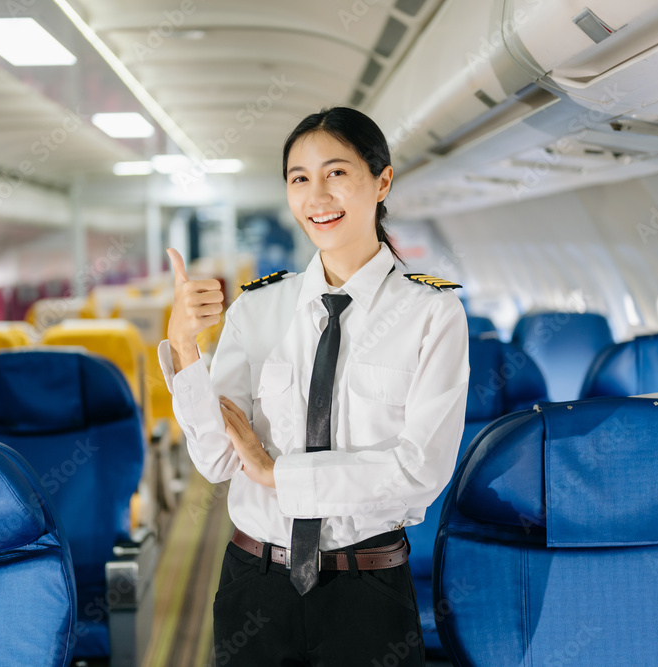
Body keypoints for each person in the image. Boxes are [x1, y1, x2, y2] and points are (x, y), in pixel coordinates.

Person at [158, 106, 469, 666]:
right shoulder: (257, 309)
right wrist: (184, 349)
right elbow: (217, 461)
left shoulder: (432, 314)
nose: (317, 196)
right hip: (253, 582)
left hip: (367, 590)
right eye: (299, 179)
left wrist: (277, 473)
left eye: (336, 173)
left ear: (382, 181)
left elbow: (421, 471)